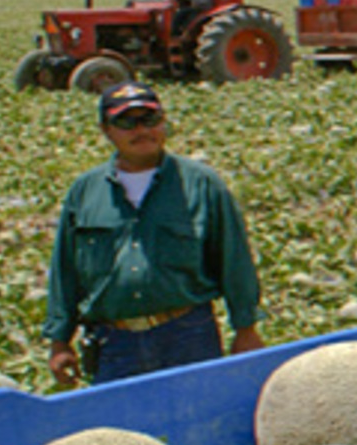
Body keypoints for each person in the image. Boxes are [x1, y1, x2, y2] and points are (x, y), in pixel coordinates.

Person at [43, 82, 265, 388]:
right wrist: (59, 340)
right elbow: (65, 271)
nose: (141, 130)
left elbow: (234, 259)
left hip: (188, 334)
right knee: (121, 433)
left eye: (149, 119)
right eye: (126, 121)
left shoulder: (201, 184)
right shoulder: (85, 191)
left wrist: (246, 329)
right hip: (114, 344)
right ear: (106, 130)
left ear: (164, 122)